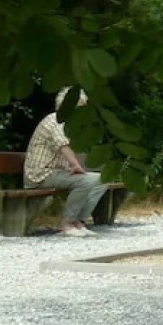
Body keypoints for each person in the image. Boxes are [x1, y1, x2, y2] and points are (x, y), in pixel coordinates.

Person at [24, 87, 108, 237]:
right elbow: (64, 146)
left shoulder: (70, 126)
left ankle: (78, 221)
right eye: (81, 108)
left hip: (58, 172)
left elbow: (78, 150)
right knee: (85, 181)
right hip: (42, 174)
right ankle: (66, 224)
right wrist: (76, 166)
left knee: (102, 180)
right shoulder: (54, 120)